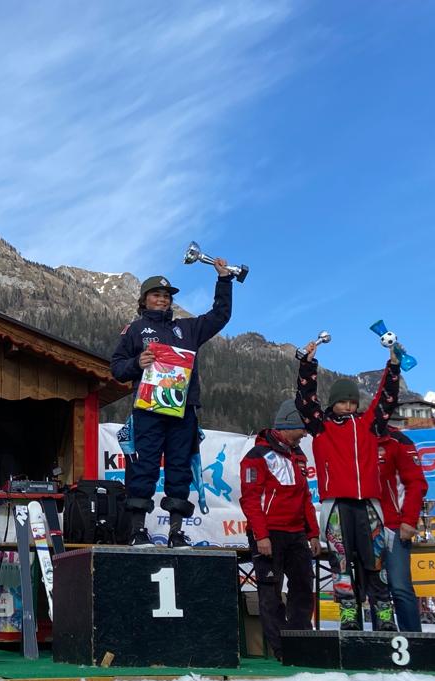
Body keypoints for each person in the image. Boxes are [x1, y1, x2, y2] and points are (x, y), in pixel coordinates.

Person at [110, 267, 233, 547]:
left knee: (179, 470)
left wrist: (224, 280)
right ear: (144, 300)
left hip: (183, 411)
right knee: (143, 468)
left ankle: (176, 533)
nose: (162, 299)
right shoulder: (135, 330)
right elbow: (116, 368)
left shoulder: (187, 329)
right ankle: (137, 532)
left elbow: (220, 316)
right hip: (148, 410)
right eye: (156, 295)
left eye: (166, 296)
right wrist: (136, 363)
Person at [295, 339, 401, 631]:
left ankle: (383, 615)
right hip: (337, 506)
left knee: (375, 563)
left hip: (369, 505)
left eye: (353, 402)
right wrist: (307, 364)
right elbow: (305, 400)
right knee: (340, 564)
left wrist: (393, 366)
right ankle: (349, 614)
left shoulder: (369, 425)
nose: (349, 406)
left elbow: (387, 399)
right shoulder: (321, 426)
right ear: (333, 403)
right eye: (343, 402)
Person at [240, 399, 321, 660]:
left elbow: (305, 497)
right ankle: (281, 649)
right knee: (270, 592)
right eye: (302, 429)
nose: (305, 434)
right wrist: (261, 535)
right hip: (269, 533)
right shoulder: (256, 456)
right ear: (288, 425)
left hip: (296, 533)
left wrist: (313, 533)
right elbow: (250, 499)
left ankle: (301, 640)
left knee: (303, 586)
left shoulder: (299, 456)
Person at [378, 426, 428, 631]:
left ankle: (413, 640)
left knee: (399, 586)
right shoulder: (354, 435)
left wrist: (409, 520)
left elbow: (416, 483)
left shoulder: (399, 440)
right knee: (376, 589)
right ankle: (378, 638)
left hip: (394, 525)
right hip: (364, 524)